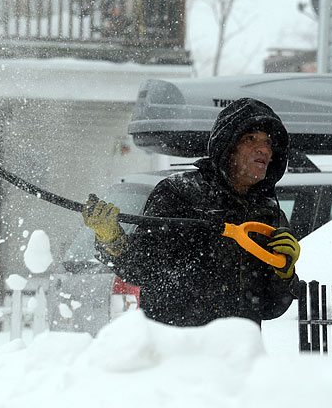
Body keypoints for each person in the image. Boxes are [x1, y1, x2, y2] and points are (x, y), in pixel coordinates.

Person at [82, 97, 300, 327]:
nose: (263, 149)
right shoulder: (179, 193)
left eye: (268, 142)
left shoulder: (268, 213)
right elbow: (144, 269)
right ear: (227, 146)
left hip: (237, 353)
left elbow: (270, 308)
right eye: (251, 139)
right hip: (177, 347)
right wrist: (113, 240)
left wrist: (284, 275)